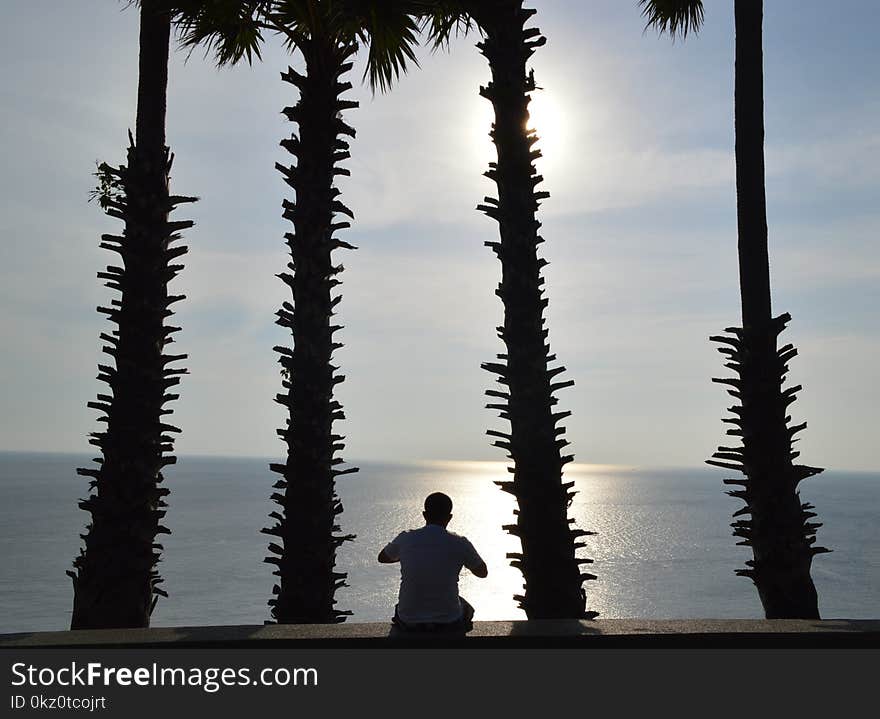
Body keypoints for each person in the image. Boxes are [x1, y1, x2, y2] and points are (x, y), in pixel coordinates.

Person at [378, 492, 488, 632]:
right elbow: (482, 572)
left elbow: (383, 557)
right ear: (449, 518)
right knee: (466, 607)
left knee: (400, 607)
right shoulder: (460, 543)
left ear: (424, 515)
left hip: (409, 620)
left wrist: (405, 555)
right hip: (448, 621)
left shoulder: (405, 538)